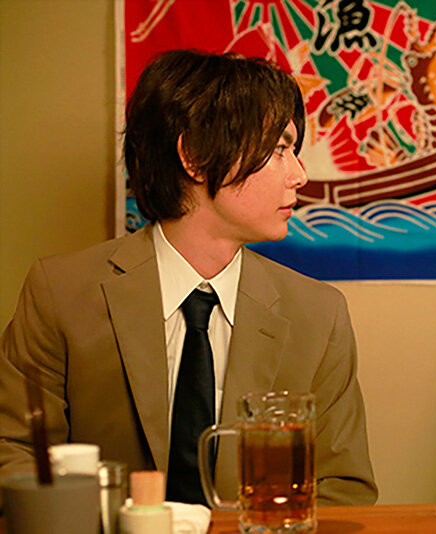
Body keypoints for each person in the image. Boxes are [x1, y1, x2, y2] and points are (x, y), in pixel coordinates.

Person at [0, 49, 377, 506]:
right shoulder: (60, 292)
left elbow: (342, 487)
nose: (299, 175)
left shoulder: (319, 314)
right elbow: (13, 450)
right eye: (280, 149)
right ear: (195, 156)